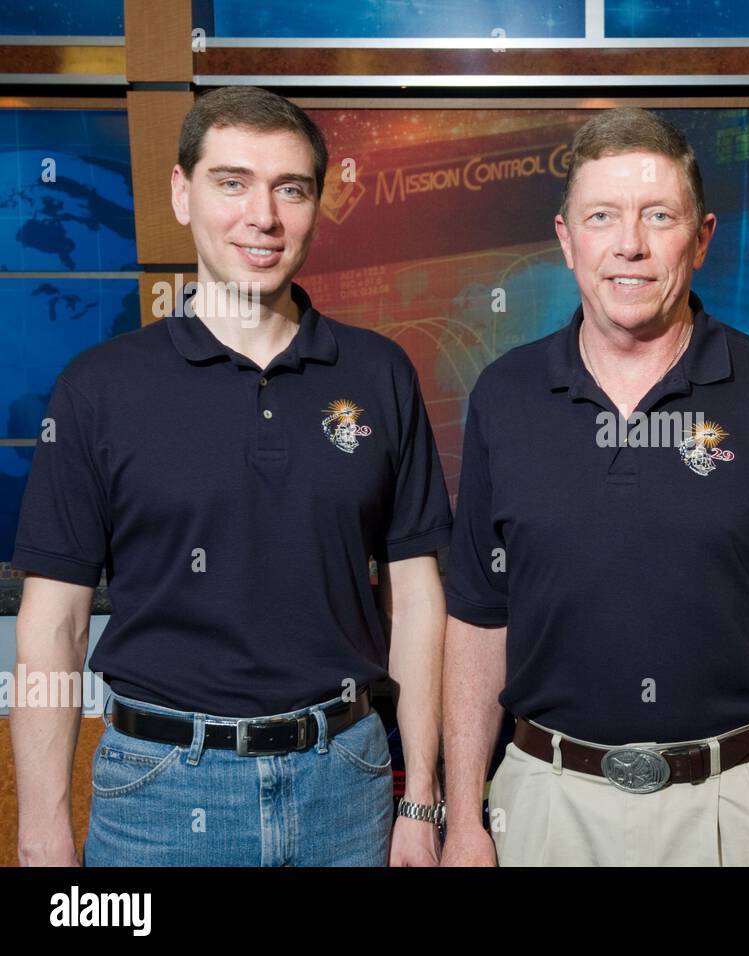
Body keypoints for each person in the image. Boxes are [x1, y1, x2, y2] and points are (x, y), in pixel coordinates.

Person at [12, 86, 450, 866]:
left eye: (291, 189)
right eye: (232, 182)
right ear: (183, 193)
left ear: (316, 205)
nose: (264, 216)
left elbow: (416, 599)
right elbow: (52, 628)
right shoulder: (99, 387)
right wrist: (43, 832)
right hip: (157, 795)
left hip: (347, 786)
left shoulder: (380, 373)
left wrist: (420, 795)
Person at [440, 107, 749, 867]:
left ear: (703, 237)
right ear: (566, 239)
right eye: (603, 216)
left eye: (659, 216)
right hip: (542, 806)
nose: (630, 245)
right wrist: (462, 819)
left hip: (736, 806)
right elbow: (481, 621)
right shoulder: (505, 397)